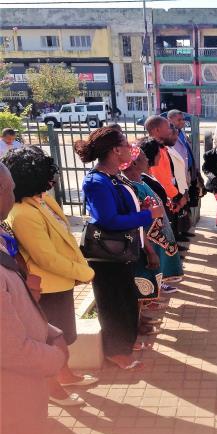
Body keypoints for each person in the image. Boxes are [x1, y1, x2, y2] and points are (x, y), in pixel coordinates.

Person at [4, 146, 97, 407]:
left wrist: (77, 270)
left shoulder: (42, 200)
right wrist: (84, 272)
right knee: (51, 341)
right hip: (47, 287)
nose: (52, 179)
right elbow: (45, 257)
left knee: (64, 336)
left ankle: (65, 376)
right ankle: (53, 388)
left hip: (61, 282)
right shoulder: (23, 213)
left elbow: (64, 238)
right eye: (46, 174)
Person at [1, 161, 67, 434]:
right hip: (11, 403)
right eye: (9, 188)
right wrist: (55, 357)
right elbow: (9, 349)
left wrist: (49, 330)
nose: (13, 194)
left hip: (21, 395)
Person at [75, 127, 162, 370]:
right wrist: (147, 215)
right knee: (113, 303)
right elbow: (108, 220)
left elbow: (120, 210)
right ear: (115, 150)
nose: (129, 148)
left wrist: (139, 208)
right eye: (125, 144)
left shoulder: (111, 177)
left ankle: (125, 345)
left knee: (125, 299)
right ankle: (116, 352)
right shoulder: (97, 181)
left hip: (120, 251)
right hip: (106, 255)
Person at [137, 137, 184, 284]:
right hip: (151, 229)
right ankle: (154, 289)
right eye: (159, 153)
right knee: (153, 262)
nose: (161, 156)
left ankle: (159, 285)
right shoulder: (142, 179)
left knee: (160, 260)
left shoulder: (148, 176)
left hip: (158, 226)